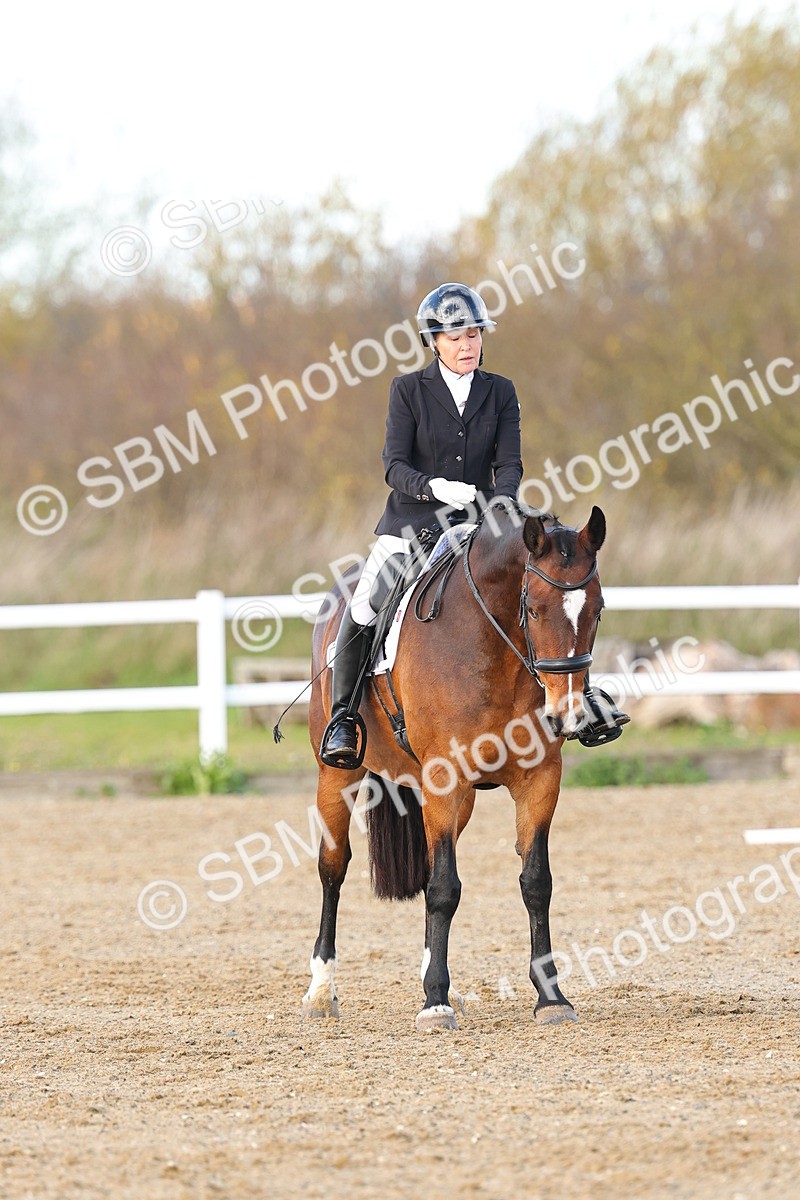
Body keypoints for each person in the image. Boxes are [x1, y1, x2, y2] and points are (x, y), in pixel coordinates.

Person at [319, 282, 627, 769]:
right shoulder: (408, 391)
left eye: (474, 335)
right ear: (434, 341)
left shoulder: (500, 391)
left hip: (485, 522)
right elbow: (394, 466)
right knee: (364, 603)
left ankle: (581, 698)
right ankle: (343, 718)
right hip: (414, 522)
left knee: (553, 586)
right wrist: (435, 488)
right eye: (455, 337)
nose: (467, 345)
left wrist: (501, 503)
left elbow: (510, 463)